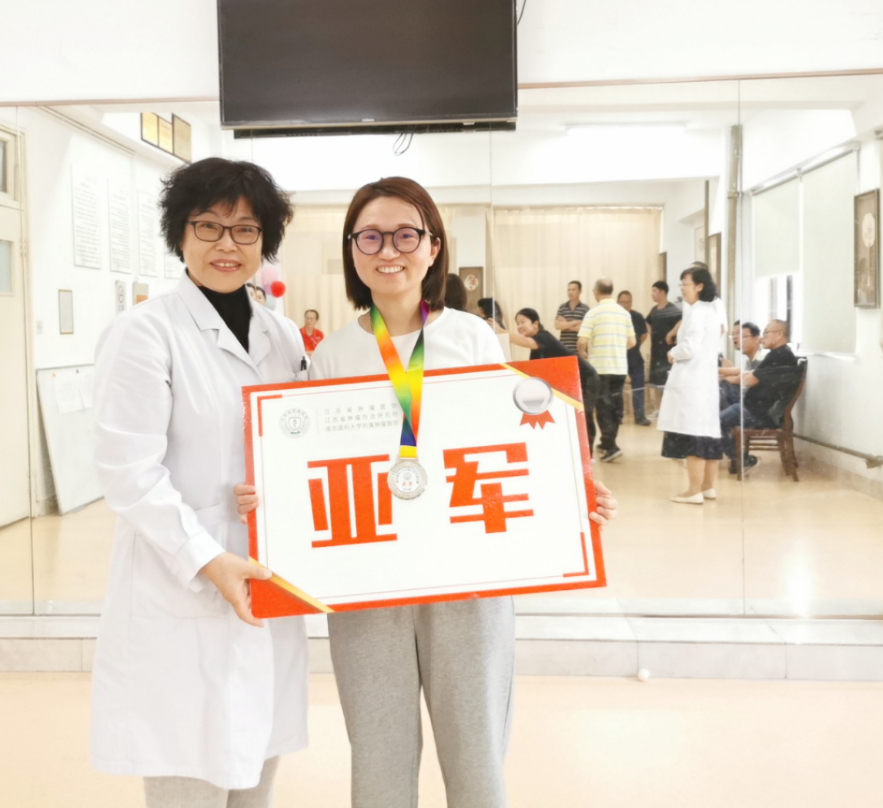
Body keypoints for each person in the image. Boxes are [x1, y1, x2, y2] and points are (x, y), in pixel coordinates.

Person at [236, 176, 617, 808]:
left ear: (433, 246)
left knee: (476, 758)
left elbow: (514, 444)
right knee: (378, 759)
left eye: (406, 235)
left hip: (467, 575)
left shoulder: (472, 337)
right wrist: (268, 496)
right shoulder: (332, 355)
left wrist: (570, 490)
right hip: (368, 579)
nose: (389, 250)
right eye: (370, 237)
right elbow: (308, 466)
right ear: (352, 251)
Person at [90, 157, 309, 807]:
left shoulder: (283, 335)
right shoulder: (144, 332)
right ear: (179, 234)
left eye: (246, 230)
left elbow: (296, 443)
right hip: (181, 578)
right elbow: (128, 472)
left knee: (255, 774)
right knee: (189, 780)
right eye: (208, 226)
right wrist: (208, 558)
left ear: (265, 242)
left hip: (266, 578)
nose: (226, 245)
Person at [656, 266, 724, 504]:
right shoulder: (712, 310)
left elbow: (689, 348)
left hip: (692, 381)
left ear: (699, 286)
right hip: (705, 382)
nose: (682, 289)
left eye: (685, 284)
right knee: (709, 434)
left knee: (693, 436)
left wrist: (672, 352)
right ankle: (707, 487)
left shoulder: (696, 313)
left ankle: (694, 490)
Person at [498, 307, 601, 452]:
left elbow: (525, 342)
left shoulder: (543, 337)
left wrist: (502, 332)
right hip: (571, 382)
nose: (519, 326)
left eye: (523, 322)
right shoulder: (536, 347)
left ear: (535, 324)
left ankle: (587, 455)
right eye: (517, 323)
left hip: (586, 378)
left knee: (584, 416)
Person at [720, 319, 800, 474]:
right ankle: (736, 455)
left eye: (766, 332)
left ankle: (740, 459)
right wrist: (728, 376)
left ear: (779, 334)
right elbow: (751, 374)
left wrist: (731, 378)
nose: (763, 336)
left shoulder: (779, 356)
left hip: (759, 414)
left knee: (715, 421)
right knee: (723, 392)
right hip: (757, 409)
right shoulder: (779, 354)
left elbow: (750, 380)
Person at [577, 278, 636, 462]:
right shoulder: (624, 314)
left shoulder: (593, 313)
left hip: (600, 368)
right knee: (615, 407)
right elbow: (632, 342)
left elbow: (581, 341)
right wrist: (617, 348)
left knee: (603, 407)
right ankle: (607, 443)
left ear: (596, 291)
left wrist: (583, 354)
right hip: (619, 368)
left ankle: (610, 446)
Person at [617, 290, 650, 426]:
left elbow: (644, 335)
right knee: (617, 389)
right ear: (617, 303)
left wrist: (633, 346)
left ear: (631, 303)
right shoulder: (614, 317)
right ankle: (617, 416)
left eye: (627, 302)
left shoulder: (637, 317)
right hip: (618, 358)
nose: (624, 305)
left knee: (638, 387)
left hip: (635, 358)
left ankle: (640, 416)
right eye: (622, 302)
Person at [645, 280, 682, 390]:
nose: (652, 294)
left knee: (666, 387)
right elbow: (647, 322)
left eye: (654, 291)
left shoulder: (671, 309)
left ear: (662, 292)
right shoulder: (654, 310)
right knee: (655, 387)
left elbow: (682, 321)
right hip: (655, 354)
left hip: (667, 355)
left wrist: (671, 333)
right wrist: (651, 333)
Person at [718, 321, 763, 408]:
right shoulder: (749, 361)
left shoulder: (760, 360)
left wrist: (723, 376)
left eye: (743, 336)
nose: (737, 338)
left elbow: (742, 376)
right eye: (733, 334)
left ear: (756, 339)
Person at [555, 280, 589, 352]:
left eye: (573, 290)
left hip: (580, 350)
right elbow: (557, 325)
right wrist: (576, 322)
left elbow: (585, 328)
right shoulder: (562, 307)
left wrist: (565, 324)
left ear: (580, 291)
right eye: (569, 290)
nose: (570, 292)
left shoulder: (585, 308)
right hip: (564, 349)